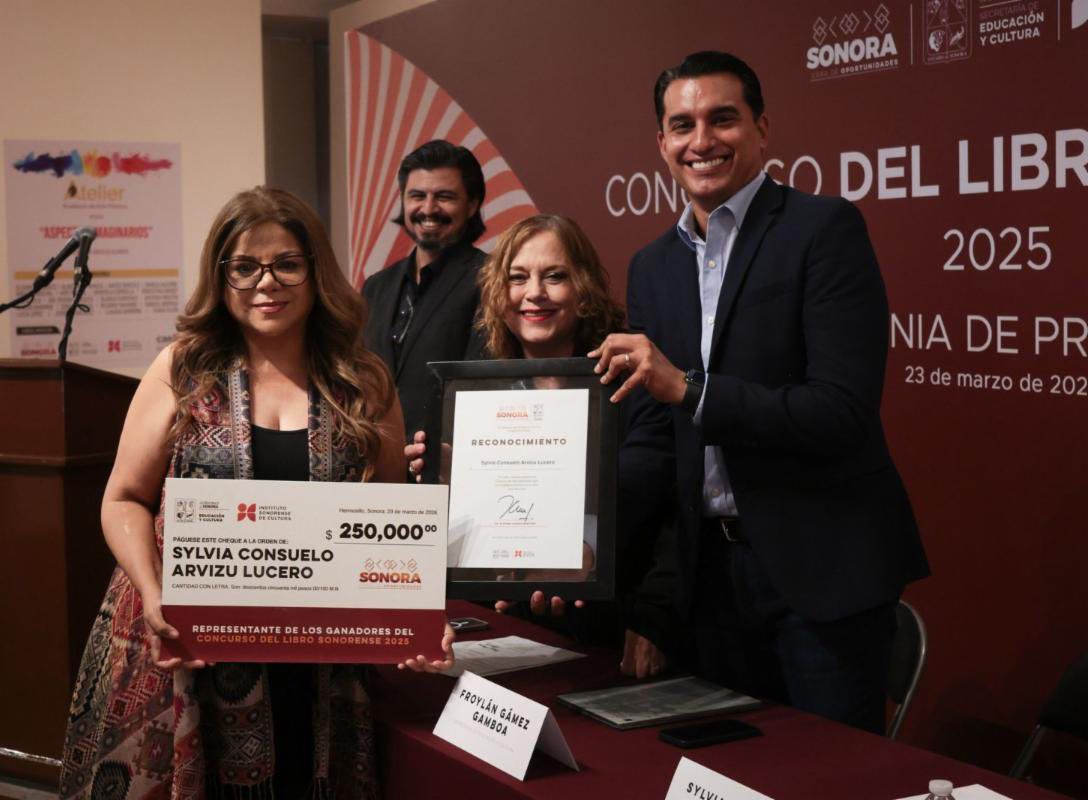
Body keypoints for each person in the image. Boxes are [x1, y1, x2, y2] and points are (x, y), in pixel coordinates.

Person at [59, 187, 452, 800]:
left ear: (316, 272)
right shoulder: (182, 370)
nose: (266, 282)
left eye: (286, 264)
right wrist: (154, 593)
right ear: (221, 277)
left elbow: (389, 523)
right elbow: (123, 498)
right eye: (244, 267)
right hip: (183, 652)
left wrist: (415, 621)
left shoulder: (364, 383)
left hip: (321, 665)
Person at [590, 51, 929, 732]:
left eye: (723, 119)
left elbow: (840, 411)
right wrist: (570, 523)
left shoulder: (823, 230)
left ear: (762, 128)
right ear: (661, 143)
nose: (702, 141)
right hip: (708, 581)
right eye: (682, 125)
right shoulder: (652, 267)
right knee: (727, 772)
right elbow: (654, 442)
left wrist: (691, 390)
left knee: (830, 775)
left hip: (820, 574)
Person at [409, 213, 681, 679]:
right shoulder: (473, 401)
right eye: (517, 278)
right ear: (498, 294)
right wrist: (445, 481)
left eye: (554, 276)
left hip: (617, 634)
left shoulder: (633, 387)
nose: (534, 292)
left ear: (584, 289)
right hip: (509, 628)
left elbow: (674, 513)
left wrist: (653, 619)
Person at [361, 140, 488, 483]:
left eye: (444, 197)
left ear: (472, 204)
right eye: (417, 196)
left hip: (444, 474)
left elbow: (479, 387)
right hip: (371, 475)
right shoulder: (376, 287)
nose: (428, 208)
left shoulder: (490, 279)